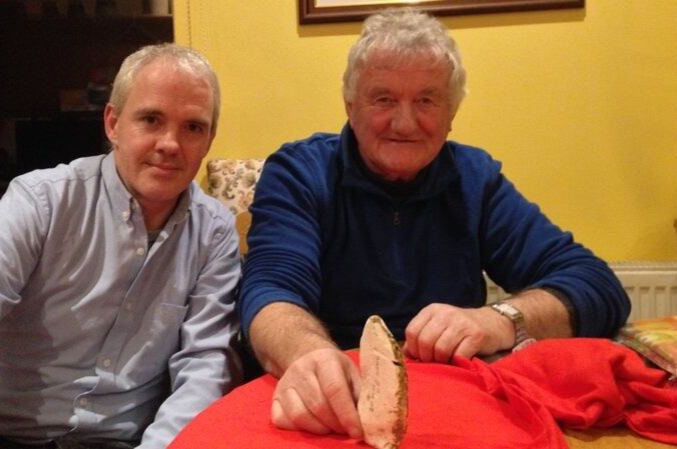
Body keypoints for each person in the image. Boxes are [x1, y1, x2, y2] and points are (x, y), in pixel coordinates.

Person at [238, 7, 630, 441]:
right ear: (350, 106)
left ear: (451, 113)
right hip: (330, 402)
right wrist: (310, 356)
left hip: (455, 403)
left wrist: (499, 319)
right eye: (384, 99)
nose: (405, 123)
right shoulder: (299, 172)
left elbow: (596, 284)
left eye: (426, 100)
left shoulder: (476, 179)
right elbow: (270, 293)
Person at [0, 44, 242, 449]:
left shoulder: (214, 233)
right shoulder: (41, 202)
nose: (171, 143)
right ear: (113, 123)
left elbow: (205, 367)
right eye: (151, 119)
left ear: (209, 139)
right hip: (1, 436)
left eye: (193, 126)